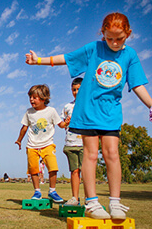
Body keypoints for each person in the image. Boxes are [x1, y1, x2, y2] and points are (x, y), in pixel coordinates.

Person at [25, 12, 152, 219]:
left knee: (112, 153)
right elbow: (68, 58)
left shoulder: (130, 55)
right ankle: (92, 203)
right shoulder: (95, 48)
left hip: (111, 111)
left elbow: (137, 84)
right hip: (88, 109)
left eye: (119, 38)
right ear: (102, 34)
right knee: (90, 154)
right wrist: (39, 60)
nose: (114, 43)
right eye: (109, 38)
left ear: (128, 34)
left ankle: (115, 203)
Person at [15, 84, 70, 203]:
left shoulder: (51, 111)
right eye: (30, 97)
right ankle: (37, 191)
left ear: (44, 98)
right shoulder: (29, 112)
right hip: (32, 146)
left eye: (35, 97)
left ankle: (52, 191)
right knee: (33, 170)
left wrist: (66, 123)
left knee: (53, 168)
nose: (31, 100)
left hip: (48, 145)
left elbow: (60, 125)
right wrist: (19, 140)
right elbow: (24, 128)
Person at [61, 77, 84, 206]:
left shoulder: (89, 104)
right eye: (74, 90)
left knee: (87, 172)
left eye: (79, 89)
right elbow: (61, 124)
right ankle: (75, 198)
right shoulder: (67, 107)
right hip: (71, 143)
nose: (76, 92)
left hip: (85, 143)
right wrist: (65, 123)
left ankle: (90, 198)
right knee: (74, 171)